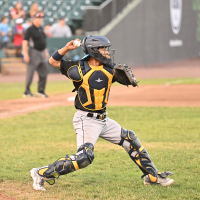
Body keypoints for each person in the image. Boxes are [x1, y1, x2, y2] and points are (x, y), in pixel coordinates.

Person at [30, 35, 174, 191]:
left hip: (103, 119)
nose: (106, 52)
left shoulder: (110, 68)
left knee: (130, 139)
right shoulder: (78, 69)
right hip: (86, 120)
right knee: (85, 157)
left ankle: (152, 176)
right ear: (93, 51)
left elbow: (124, 76)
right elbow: (53, 61)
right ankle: (41, 173)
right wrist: (66, 48)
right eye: (103, 49)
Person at [22, 12, 49, 98]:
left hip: (41, 52)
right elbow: (25, 42)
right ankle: (27, 91)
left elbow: (42, 42)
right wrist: (25, 54)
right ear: (34, 19)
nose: (40, 20)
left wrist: (45, 52)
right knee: (30, 72)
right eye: (38, 18)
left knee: (44, 71)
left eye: (41, 18)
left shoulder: (40, 29)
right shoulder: (30, 29)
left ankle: (40, 90)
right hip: (33, 52)